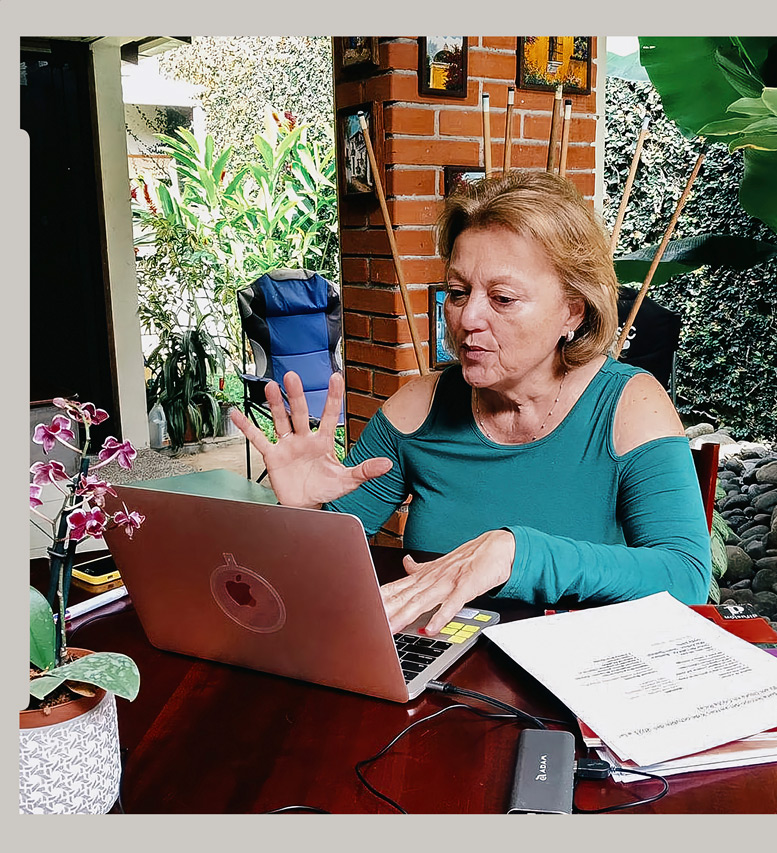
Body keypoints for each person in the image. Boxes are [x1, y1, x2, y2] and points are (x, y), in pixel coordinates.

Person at [231, 170, 711, 637]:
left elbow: (687, 577)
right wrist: (305, 512)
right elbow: (321, 570)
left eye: (501, 298)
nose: (468, 319)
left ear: (572, 310)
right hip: (439, 661)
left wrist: (518, 553)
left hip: (576, 677)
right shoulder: (419, 405)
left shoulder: (628, 402)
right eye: (458, 293)